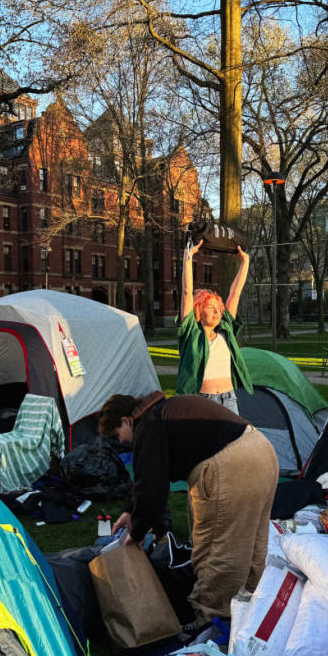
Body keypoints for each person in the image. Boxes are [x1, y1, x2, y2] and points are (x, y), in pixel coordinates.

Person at [99, 391, 279, 629]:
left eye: (117, 435)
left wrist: (137, 533)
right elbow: (147, 477)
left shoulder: (148, 425)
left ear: (125, 421)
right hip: (262, 450)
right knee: (253, 545)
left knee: (216, 551)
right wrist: (130, 511)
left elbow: (153, 486)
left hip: (231, 464)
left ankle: (211, 624)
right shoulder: (166, 410)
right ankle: (253, 616)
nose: (121, 441)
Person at [177, 239, 252, 414]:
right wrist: (188, 258)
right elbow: (187, 292)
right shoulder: (191, 334)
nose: (217, 312)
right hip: (202, 401)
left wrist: (244, 262)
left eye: (218, 308)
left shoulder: (226, 332)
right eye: (211, 307)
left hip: (229, 399)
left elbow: (235, 293)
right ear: (198, 311)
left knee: (233, 441)